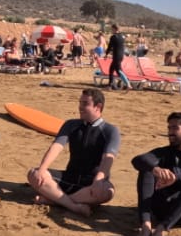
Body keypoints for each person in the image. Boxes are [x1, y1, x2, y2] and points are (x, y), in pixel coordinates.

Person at [27, 88, 119, 217]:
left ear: (98, 107)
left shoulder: (110, 130)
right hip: (69, 178)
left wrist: (98, 181)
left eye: (85, 103)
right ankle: (73, 206)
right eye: (80, 102)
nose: (80, 107)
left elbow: (108, 158)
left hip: (90, 184)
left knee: (108, 191)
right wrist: (42, 169)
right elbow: (56, 146)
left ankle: (55, 199)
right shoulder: (71, 124)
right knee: (33, 173)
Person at [107, 24, 131, 91]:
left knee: (118, 71)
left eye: (112, 29)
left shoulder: (113, 37)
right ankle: (109, 86)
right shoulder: (122, 36)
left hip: (116, 55)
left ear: (114, 29)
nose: (111, 30)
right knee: (111, 70)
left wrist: (106, 54)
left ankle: (128, 84)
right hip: (121, 55)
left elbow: (109, 47)